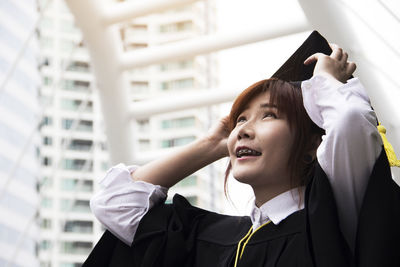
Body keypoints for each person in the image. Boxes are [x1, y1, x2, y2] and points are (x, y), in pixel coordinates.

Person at [83, 32, 400, 267]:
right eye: (240, 120)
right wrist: (213, 145)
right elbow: (115, 204)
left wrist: (325, 80)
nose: (244, 129)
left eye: (269, 115)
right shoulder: (206, 237)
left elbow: (350, 121)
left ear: (311, 146)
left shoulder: (334, 216)